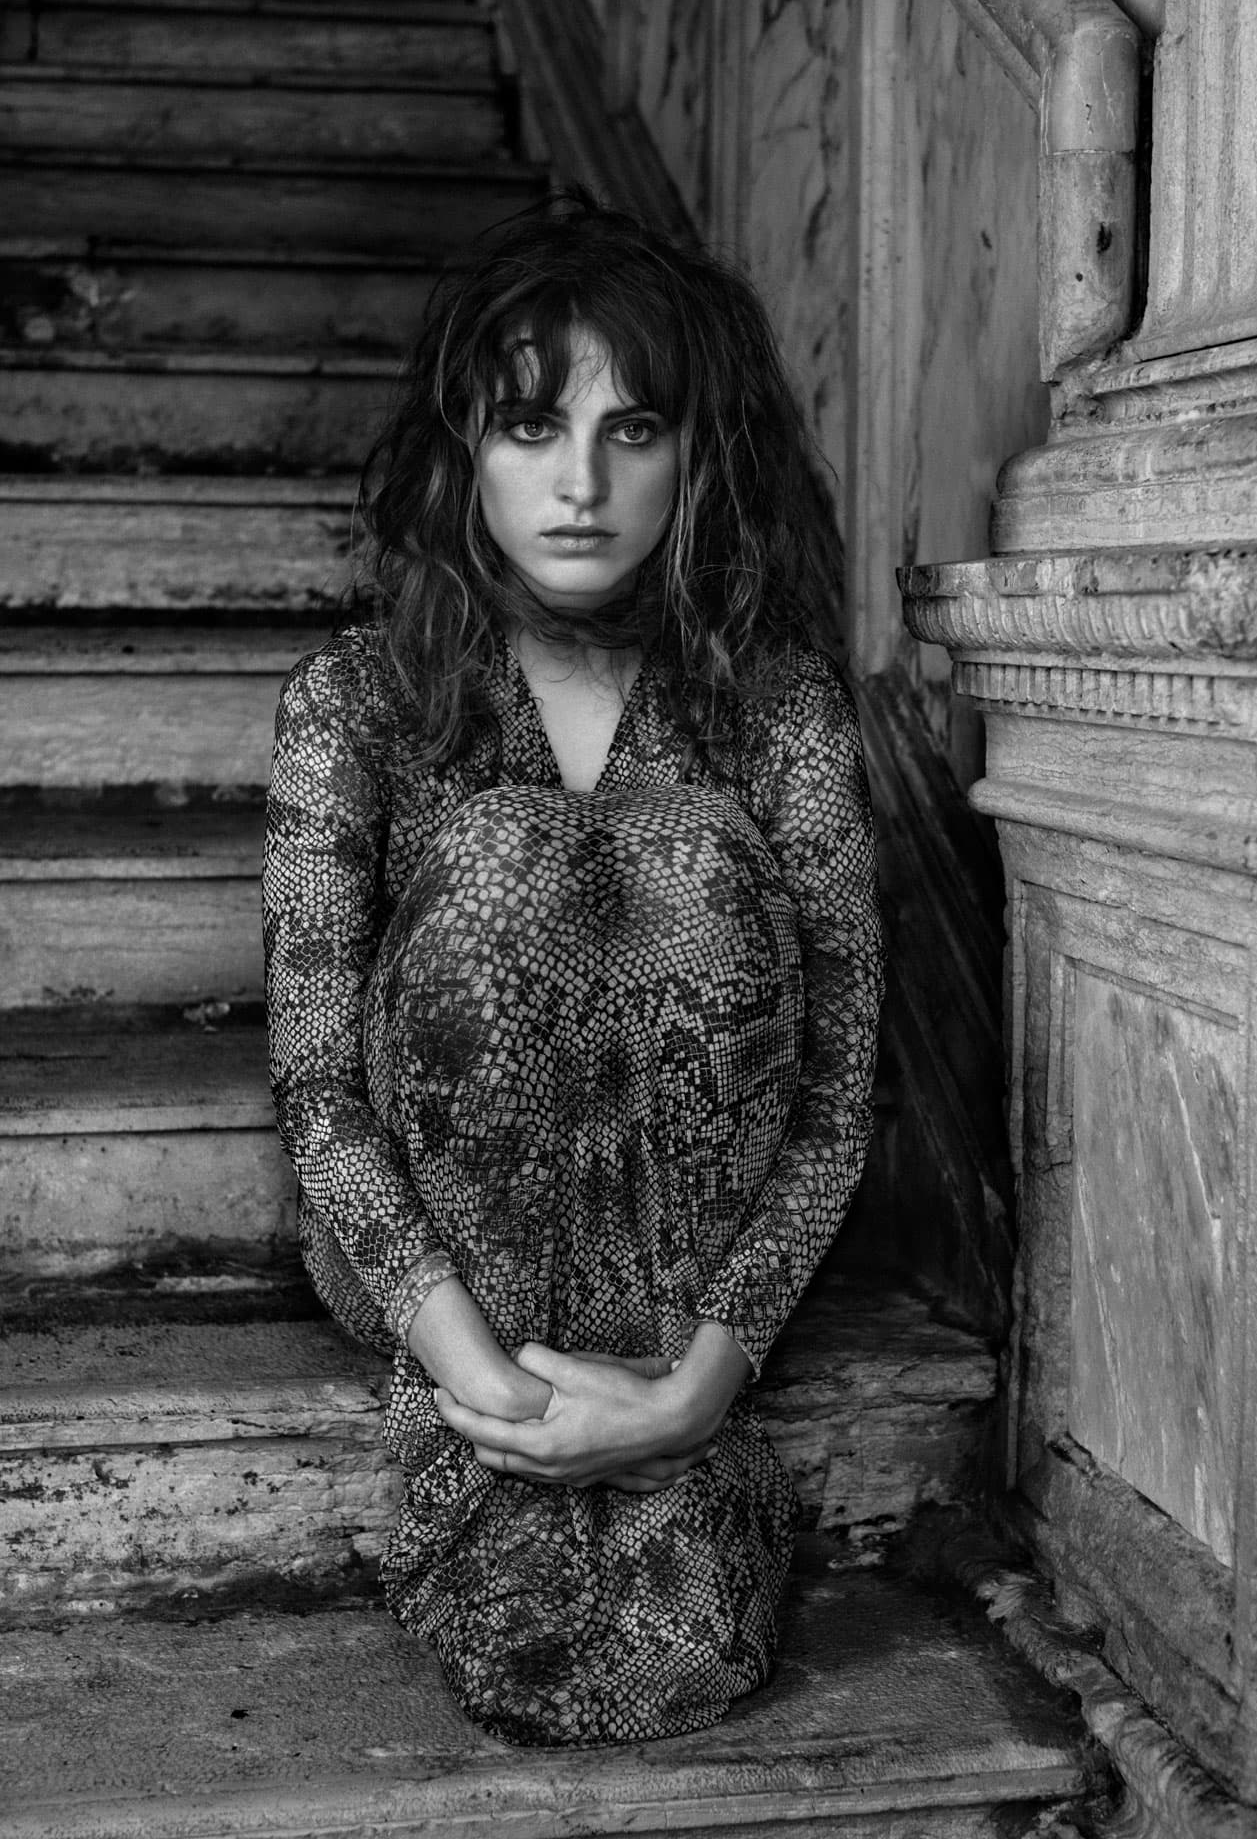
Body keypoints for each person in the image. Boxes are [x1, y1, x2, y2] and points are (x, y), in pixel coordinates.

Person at [262, 192, 884, 1748]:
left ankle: (656, 1423)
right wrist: (486, 1384)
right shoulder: (358, 701)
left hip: (693, 1284)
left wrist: (698, 1390)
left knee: (672, 853)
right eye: (533, 426)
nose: (583, 483)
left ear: (697, 455)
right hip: (446, 1269)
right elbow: (319, 1094)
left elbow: (832, 1095)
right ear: (465, 448)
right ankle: (508, 1446)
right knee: (515, 855)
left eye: (635, 430)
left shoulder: (782, 708)